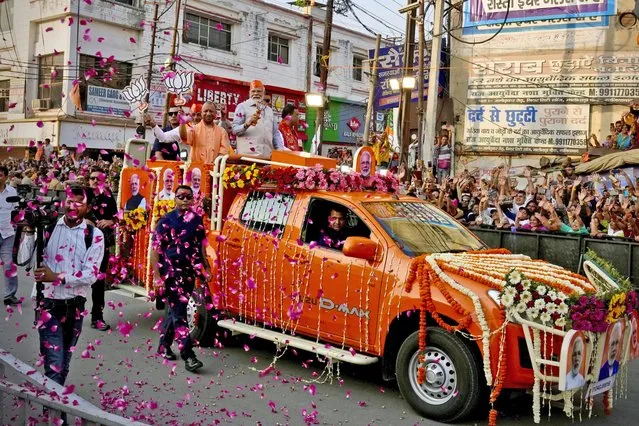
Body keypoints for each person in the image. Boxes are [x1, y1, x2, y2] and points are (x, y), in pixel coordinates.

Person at [33, 186, 105, 387]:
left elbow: (91, 275)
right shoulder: (48, 227)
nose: (73, 206)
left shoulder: (94, 234)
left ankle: (53, 408)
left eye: (79, 203)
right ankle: (58, 418)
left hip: (74, 307)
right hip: (48, 305)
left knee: (62, 368)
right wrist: (30, 230)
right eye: (70, 201)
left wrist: (56, 276)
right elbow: (25, 260)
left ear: (88, 207)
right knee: (54, 367)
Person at [151, 185, 209, 372]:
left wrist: (205, 267)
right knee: (180, 314)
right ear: (175, 199)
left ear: (193, 199)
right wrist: (157, 276)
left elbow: (201, 246)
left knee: (176, 310)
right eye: (180, 197)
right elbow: (155, 250)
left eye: (188, 197)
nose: (184, 200)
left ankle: (163, 345)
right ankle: (188, 356)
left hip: (189, 272)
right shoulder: (166, 221)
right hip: (171, 272)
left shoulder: (197, 220)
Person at [87, 168, 117, 331]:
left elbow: (116, 216)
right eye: (92, 178)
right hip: (82, 244)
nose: (95, 181)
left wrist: (110, 221)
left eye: (98, 179)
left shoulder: (108, 196)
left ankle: (97, 317)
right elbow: (72, 213)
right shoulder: (84, 196)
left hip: (101, 244)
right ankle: (69, 315)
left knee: (98, 283)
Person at [232, 80, 288, 158]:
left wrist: (280, 149)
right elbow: (234, 130)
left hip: (267, 157)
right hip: (247, 157)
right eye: (253, 91)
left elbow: (275, 133)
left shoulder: (269, 111)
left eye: (259, 91)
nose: (256, 94)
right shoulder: (242, 107)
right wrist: (247, 124)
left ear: (263, 93)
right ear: (249, 93)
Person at [0, 166, 19, 306]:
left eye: (0, 175)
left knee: (8, 264)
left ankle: (10, 294)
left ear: (5, 177)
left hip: (7, 233)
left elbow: (17, 212)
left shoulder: (12, 191)